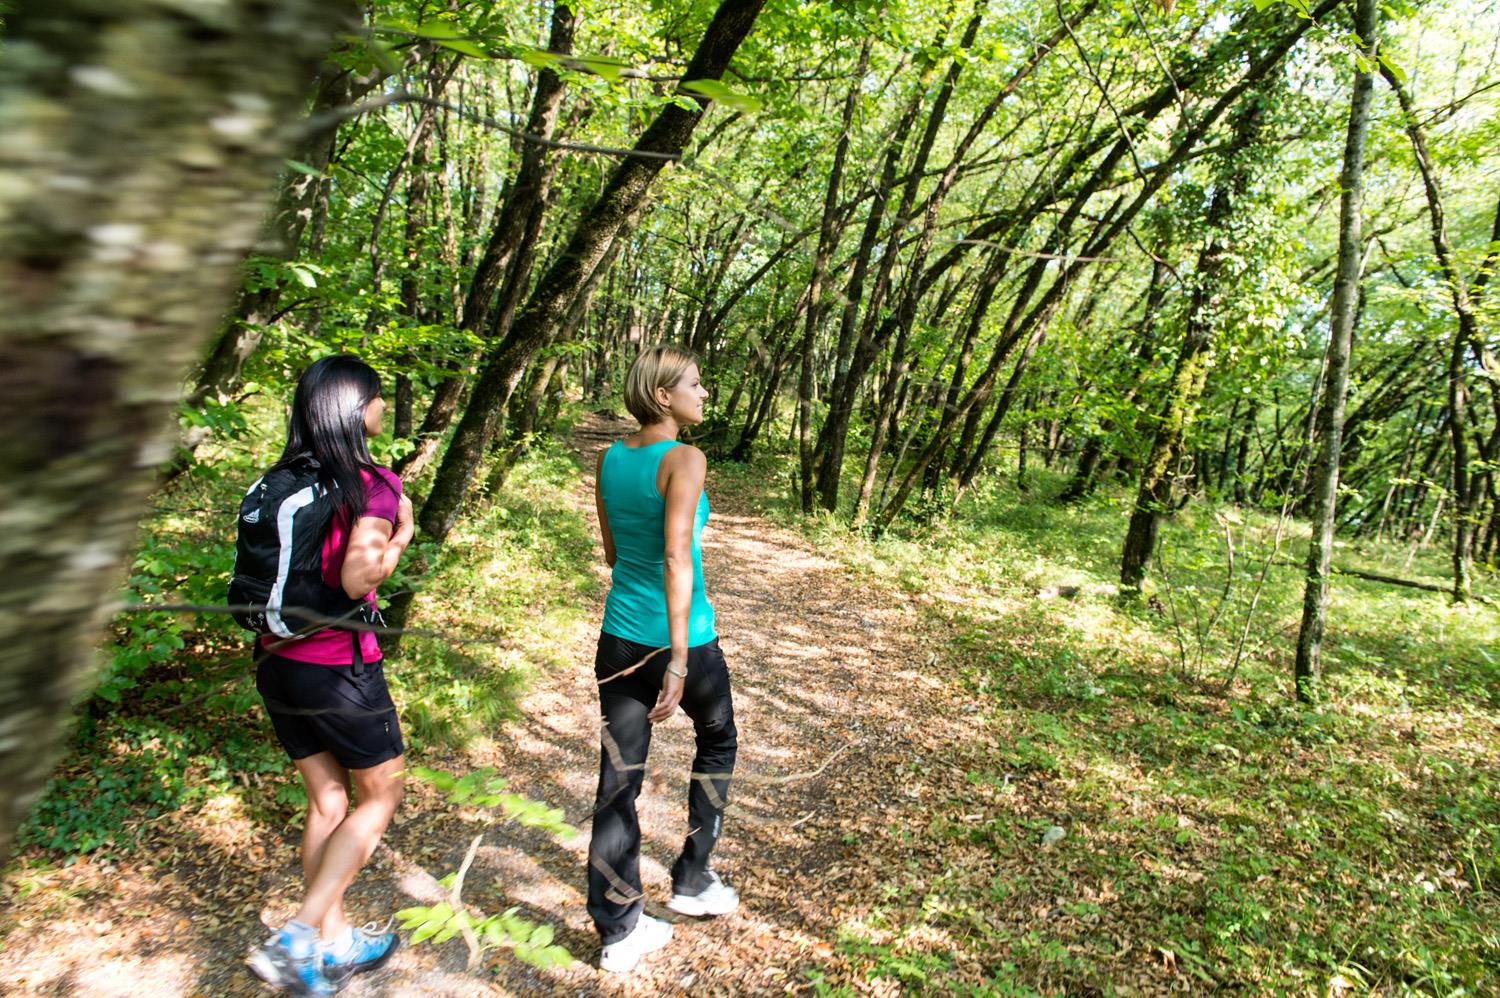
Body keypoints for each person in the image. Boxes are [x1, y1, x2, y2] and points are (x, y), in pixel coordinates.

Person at [247, 355, 414, 996]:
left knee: (328, 800)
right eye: (375, 397)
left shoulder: (284, 476)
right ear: (357, 409)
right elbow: (358, 578)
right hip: (337, 669)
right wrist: (400, 534)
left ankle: (333, 946)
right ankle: (296, 938)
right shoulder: (371, 481)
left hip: (276, 661)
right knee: (381, 795)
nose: (380, 408)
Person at [588, 344, 740, 974]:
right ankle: (693, 876)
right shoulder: (685, 458)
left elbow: (613, 552)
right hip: (680, 640)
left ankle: (618, 930)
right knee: (719, 738)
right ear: (662, 396)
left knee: (618, 779)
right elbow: (677, 556)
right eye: (695, 385)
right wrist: (678, 658)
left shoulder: (610, 459)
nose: (704, 394)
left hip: (618, 639)